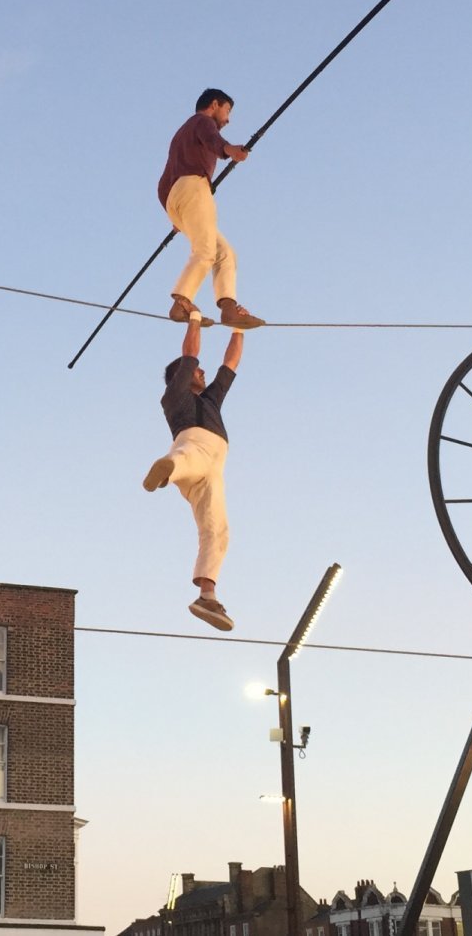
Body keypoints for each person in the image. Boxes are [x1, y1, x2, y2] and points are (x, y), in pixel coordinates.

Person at [143, 320, 244, 630]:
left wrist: (239, 329)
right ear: (180, 378)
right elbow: (190, 354)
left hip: (215, 468)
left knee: (217, 529)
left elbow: (230, 363)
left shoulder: (211, 400)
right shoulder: (174, 396)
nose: (202, 372)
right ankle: (167, 469)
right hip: (194, 448)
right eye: (196, 372)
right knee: (184, 458)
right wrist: (195, 320)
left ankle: (207, 595)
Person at [157, 88, 265, 331]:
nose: (227, 119)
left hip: (176, 198)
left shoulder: (182, 134)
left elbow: (164, 182)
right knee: (205, 251)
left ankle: (228, 308)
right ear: (214, 104)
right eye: (227, 111)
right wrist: (231, 151)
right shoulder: (202, 122)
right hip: (193, 188)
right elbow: (214, 141)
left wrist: (175, 215)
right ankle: (181, 303)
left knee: (224, 252)